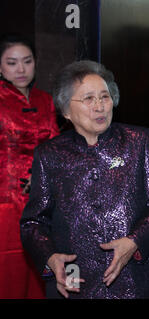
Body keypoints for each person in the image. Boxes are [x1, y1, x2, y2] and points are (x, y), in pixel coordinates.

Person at [20, 60, 149, 299]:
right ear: (65, 110)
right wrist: (50, 257)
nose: (99, 106)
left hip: (134, 281)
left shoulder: (139, 141)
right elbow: (33, 222)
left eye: (104, 97)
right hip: (75, 281)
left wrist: (134, 241)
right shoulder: (49, 155)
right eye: (88, 99)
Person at [0, 34, 59, 299]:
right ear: (0, 67)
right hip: (5, 202)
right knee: (9, 272)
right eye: (12, 63)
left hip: (42, 200)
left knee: (41, 270)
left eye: (27, 61)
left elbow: (56, 147)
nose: (21, 69)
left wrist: (43, 177)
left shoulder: (45, 100)